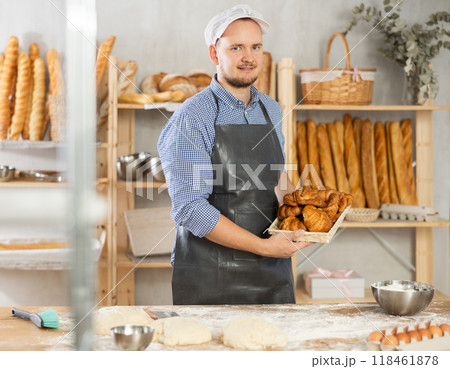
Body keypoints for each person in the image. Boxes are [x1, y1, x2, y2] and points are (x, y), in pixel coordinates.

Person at [157, 4, 313, 305]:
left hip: (272, 273)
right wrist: (265, 247)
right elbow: (190, 207)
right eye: (236, 47)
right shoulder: (193, 116)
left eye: (256, 47)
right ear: (215, 54)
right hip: (210, 276)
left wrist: (304, 216)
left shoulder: (271, 109)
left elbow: (277, 178)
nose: (248, 57)